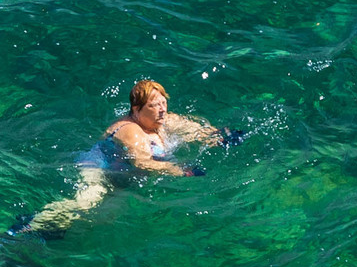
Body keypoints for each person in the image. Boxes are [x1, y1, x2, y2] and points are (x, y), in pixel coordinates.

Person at [19, 77, 225, 235]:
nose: (162, 110)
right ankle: (26, 229)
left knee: (104, 218)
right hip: (98, 170)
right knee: (85, 204)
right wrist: (179, 170)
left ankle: (52, 234)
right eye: (154, 106)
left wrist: (221, 136)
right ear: (137, 110)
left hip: (122, 178)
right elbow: (141, 162)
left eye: (164, 103)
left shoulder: (162, 121)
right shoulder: (131, 130)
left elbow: (194, 129)